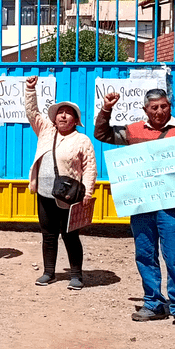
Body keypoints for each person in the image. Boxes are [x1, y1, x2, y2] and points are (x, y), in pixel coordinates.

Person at [94, 88, 175, 322]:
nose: (160, 111)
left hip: (170, 206)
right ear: (145, 110)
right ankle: (154, 303)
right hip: (142, 204)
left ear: (169, 106)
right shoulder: (133, 130)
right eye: (154, 107)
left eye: (164, 106)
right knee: (145, 254)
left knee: (173, 256)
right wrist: (107, 108)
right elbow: (101, 134)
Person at [24, 76, 97, 290]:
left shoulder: (82, 140)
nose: (63, 116)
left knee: (70, 235)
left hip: (68, 196)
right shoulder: (46, 131)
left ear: (75, 120)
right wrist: (30, 89)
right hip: (44, 193)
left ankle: (76, 275)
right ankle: (49, 272)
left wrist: (88, 193)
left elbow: (90, 168)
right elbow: (32, 112)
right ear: (54, 118)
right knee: (48, 234)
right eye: (60, 113)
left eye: (68, 113)